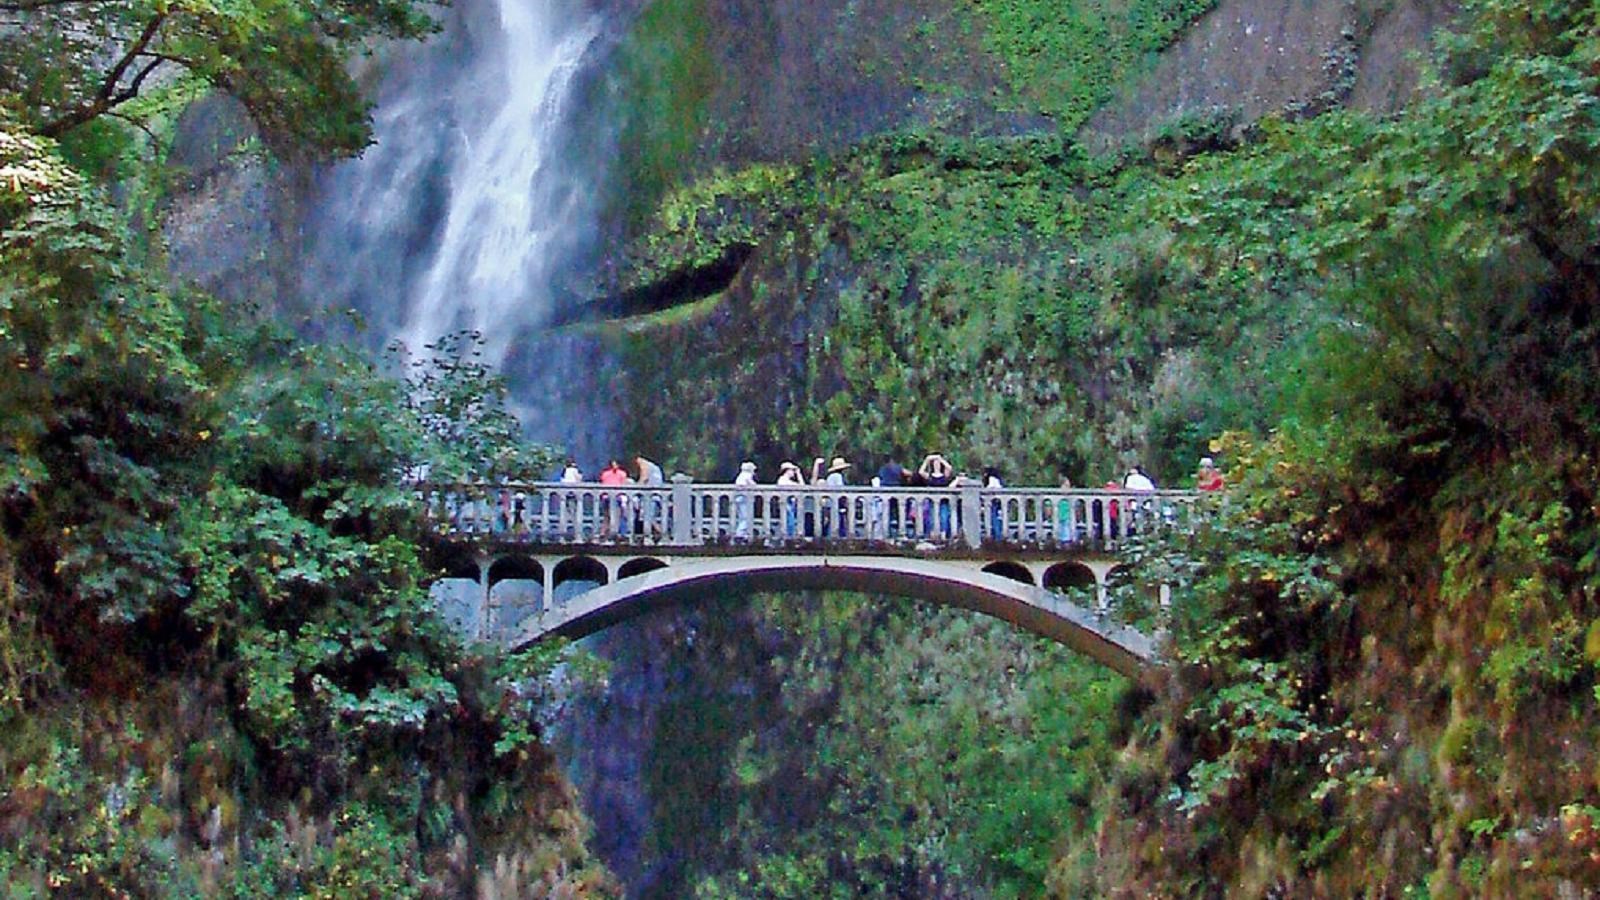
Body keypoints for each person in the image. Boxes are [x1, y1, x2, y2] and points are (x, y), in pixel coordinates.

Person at [598, 459, 629, 537]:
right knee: (614, 515)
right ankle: (614, 532)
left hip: (608, 496)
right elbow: (624, 485)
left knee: (608, 515)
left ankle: (605, 532)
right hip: (613, 497)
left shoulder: (605, 474)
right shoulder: (621, 474)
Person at [777, 460, 805, 537]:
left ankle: (790, 536)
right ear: (787, 471)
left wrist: (799, 474)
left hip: (790, 504)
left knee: (791, 522)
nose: (793, 472)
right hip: (786, 503)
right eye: (792, 470)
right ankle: (788, 538)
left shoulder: (789, 481)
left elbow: (802, 487)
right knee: (789, 522)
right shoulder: (782, 480)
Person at [825, 457, 851, 537]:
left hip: (830, 504)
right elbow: (841, 489)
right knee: (838, 523)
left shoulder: (830, 477)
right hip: (836, 504)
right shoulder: (837, 476)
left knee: (832, 522)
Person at [734, 460, 758, 540]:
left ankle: (742, 533)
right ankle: (740, 534)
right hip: (744, 498)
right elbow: (753, 485)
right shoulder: (747, 475)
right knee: (745, 517)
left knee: (742, 517)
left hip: (740, 498)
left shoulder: (740, 476)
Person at [1055, 477, 1077, 544]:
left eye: (1069, 486)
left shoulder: (1071, 497)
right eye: (1066, 486)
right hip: (1058, 519)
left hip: (1067, 519)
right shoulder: (1057, 497)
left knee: (1067, 538)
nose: (1068, 488)